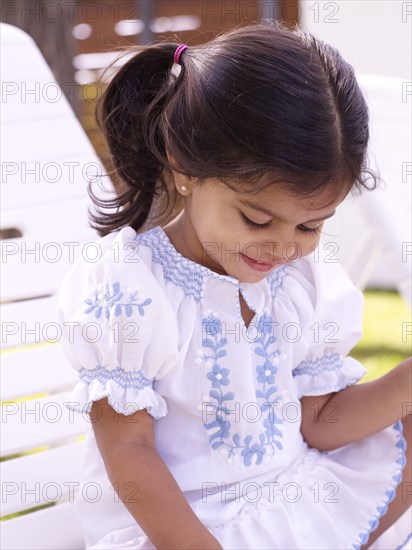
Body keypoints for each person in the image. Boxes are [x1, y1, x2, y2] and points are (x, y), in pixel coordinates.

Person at [57, 21, 411, 550]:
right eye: (257, 220)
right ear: (183, 166)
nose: (283, 247)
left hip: (287, 499)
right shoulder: (132, 288)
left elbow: (318, 422)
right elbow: (129, 450)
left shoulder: (299, 283)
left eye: (310, 226)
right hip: (185, 527)